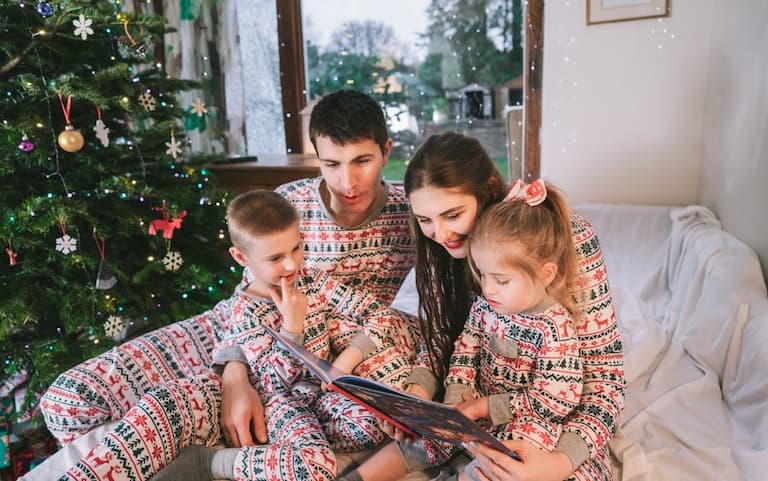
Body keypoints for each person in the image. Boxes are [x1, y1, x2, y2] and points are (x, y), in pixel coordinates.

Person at [40, 89, 418, 448]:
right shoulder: (288, 203)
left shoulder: (414, 216)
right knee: (68, 399)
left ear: (386, 152)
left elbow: (410, 315)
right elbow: (245, 296)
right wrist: (233, 373)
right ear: (317, 156)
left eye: (362, 162)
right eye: (331, 164)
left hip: (316, 355)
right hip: (240, 329)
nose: (347, 181)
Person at [58, 190, 411, 481]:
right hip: (281, 407)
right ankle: (209, 462)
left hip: (327, 395)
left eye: (296, 249)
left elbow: (379, 315)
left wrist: (349, 357)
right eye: (275, 257)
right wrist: (292, 327)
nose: (291, 265)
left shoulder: (315, 280)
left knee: (380, 422)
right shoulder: (245, 312)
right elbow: (275, 383)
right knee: (316, 470)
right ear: (241, 257)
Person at [353, 132, 625, 481]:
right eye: (425, 220)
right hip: (475, 406)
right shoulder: (440, 245)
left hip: (552, 424)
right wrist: (416, 400)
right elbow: (442, 340)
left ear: (488, 190)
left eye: (453, 214)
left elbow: (605, 379)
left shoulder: (562, 238)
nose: (440, 233)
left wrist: (559, 463)